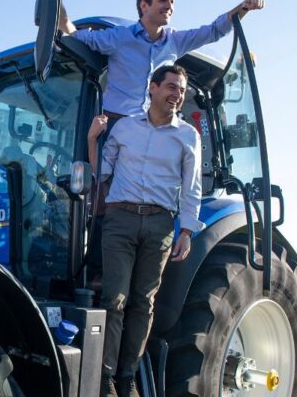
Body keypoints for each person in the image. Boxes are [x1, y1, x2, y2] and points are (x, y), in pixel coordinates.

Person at [88, 65, 202, 397]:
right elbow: (102, 172)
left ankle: (128, 375)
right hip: (120, 220)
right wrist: (92, 139)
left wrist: (187, 232)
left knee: (143, 302)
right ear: (152, 88)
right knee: (115, 299)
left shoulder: (188, 136)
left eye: (180, 90)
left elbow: (191, 189)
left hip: (161, 224)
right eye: (171, 87)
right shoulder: (124, 129)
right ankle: (106, 377)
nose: (176, 94)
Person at [59, 0, 264, 125]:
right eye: (163, 1)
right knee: (106, 182)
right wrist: (57, 9)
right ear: (144, 5)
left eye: (172, 2)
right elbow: (77, 35)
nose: (170, 6)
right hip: (116, 124)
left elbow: (213, 31)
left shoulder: (175, 41)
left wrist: (243, 8)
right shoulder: (119, 37)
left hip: (152, 128)